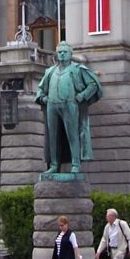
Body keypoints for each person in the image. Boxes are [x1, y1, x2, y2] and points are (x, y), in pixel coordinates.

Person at [34, 41, 104, 176]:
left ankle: (76, 164)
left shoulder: (77, 69)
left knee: (73, 135)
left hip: (70, 104)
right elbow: (41, 89)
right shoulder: (50, 71)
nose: (61, 54)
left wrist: (82, 96)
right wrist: (43, 98)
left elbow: (93, 84)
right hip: (52, 105)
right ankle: (54, 165)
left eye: (64, 52)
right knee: (52, 136)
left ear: (70, 54)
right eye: (59, 52)